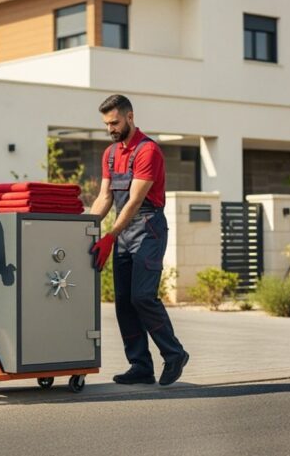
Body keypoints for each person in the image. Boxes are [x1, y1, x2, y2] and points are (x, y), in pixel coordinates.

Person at [90, 94, 189, 386]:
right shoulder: (110, 154)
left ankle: (174, 354)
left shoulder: (148, 151)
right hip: (123, 231)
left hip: (148, 228)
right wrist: (84, 227)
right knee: (123, 301)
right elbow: (104, 197)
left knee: (142, 297)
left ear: (130, 117)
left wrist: (110, 236)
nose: (110, 129)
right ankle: (141, 365)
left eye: (114, 123)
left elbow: (134, 201)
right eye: (106, 124)